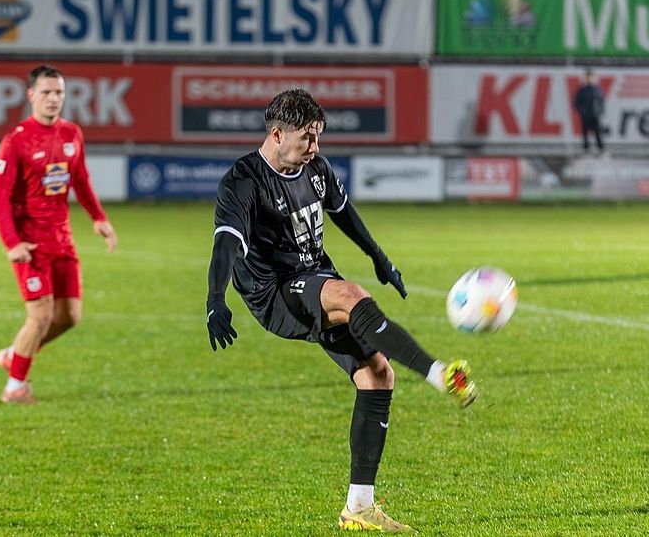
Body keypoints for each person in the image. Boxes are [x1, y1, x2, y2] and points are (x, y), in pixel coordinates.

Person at [205, 88, 478, 532]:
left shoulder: (316, 168)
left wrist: (379, 257)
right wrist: (215, 299)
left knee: (376, 375)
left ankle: (359, 507)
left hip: (314, 277)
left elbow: (344, 212)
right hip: (272, 292)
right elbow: (225, 244)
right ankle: (438, 372)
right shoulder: (243, 182)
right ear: (276, 133)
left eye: (318, 137)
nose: (315, 148)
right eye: (307, 138)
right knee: (349, 295)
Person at [0, 65, 117, 404]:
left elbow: (80, 179)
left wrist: (98, 217)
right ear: (31, 95)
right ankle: (15, 386)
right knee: (41, 315)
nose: (53, 98)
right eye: (46, 92)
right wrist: (11, 243)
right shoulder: (16, 139)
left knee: (70, 317)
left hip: (62, 239)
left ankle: (15, 354)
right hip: (30, 243)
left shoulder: (72, 133)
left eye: (58, 92)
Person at [574, 68, 605, 154]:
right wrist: (582, 111)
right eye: (588, 77)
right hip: (585, 115)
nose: (589, 79)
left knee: (598, 132)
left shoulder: (597, 89)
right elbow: (576, 103)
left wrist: (600, 111)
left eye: (591, 77)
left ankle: (600, 148)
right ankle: (586, 148)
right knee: (585, 132)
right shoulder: (582, 90)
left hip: (595, 114)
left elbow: (601, 101)